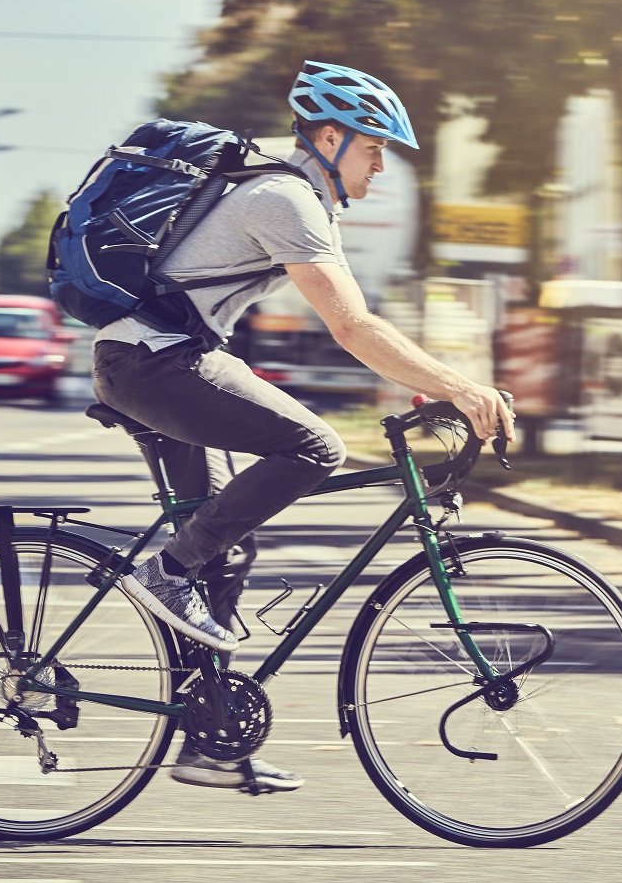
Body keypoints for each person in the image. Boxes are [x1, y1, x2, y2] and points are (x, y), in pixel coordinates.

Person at [92, 60, 515, 792]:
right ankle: (169, 570)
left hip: (152, 360)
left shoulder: (290, 195)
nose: (380, 165)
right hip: (157, 364)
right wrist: (458, 386)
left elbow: (357, 326)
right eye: (373, 147)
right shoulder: (286, 198)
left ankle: (210, 739)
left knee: (223, 542)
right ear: (328, 137)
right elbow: (351, 326)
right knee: (315, 447)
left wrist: (431, 382)